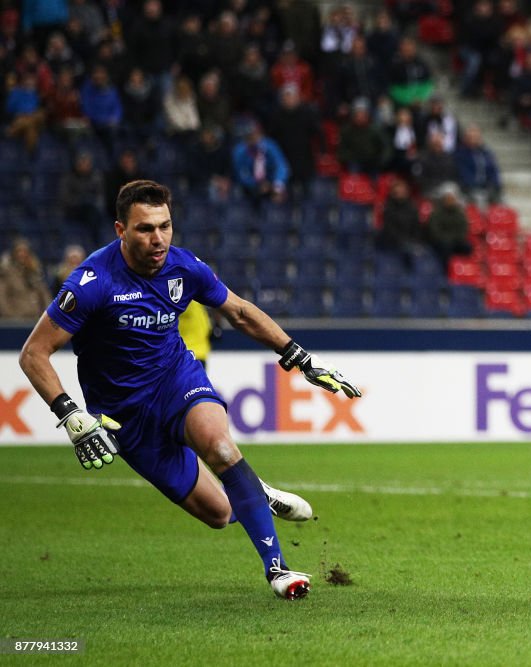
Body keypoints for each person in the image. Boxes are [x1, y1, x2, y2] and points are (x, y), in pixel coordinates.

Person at [18, 180, 362, 600]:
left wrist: (299, 358)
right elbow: (34, 353)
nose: (158, 237)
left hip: (176, 380)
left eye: (165, 226)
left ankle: (279, 570)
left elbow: (238, 311)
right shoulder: (92, 281)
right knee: (218, 514)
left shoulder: (185, 268)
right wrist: (71, 415)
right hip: (124, 416)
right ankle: (255, 491)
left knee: (219, 447)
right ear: (120, 230)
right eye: (145, 228)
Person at [0, 237, 52, 319]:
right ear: (13, 254)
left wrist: (48, 315)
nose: (22, 254)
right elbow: (2, 297)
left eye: (25, 251)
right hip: (16, 321)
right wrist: (10, 317)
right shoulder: (6, 273)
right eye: (19, 251)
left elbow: (45, 296)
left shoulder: (34, 272)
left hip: (35, 319)